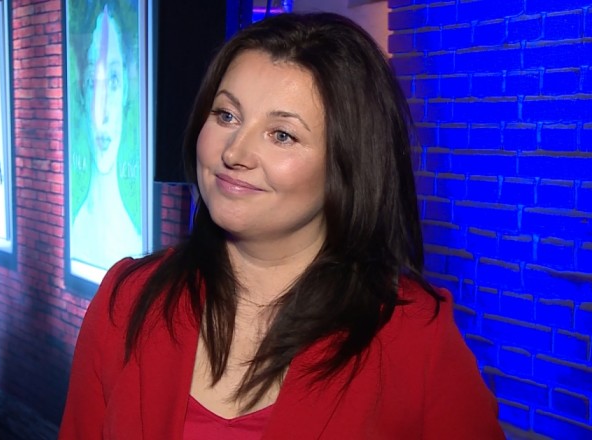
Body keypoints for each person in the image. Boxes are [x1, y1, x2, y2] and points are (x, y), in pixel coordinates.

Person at [60, 12, 504, 439]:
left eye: (282, 135)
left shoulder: (413, 339)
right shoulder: (129, 300)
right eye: (227, 115)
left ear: (347, 165)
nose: (234, 152)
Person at [70, 4, 141, 280]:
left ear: (125, 91)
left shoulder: (135, 241)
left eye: (113, 80)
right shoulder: (75, 231)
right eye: (92, 81)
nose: (103, 112)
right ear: (82, 92)